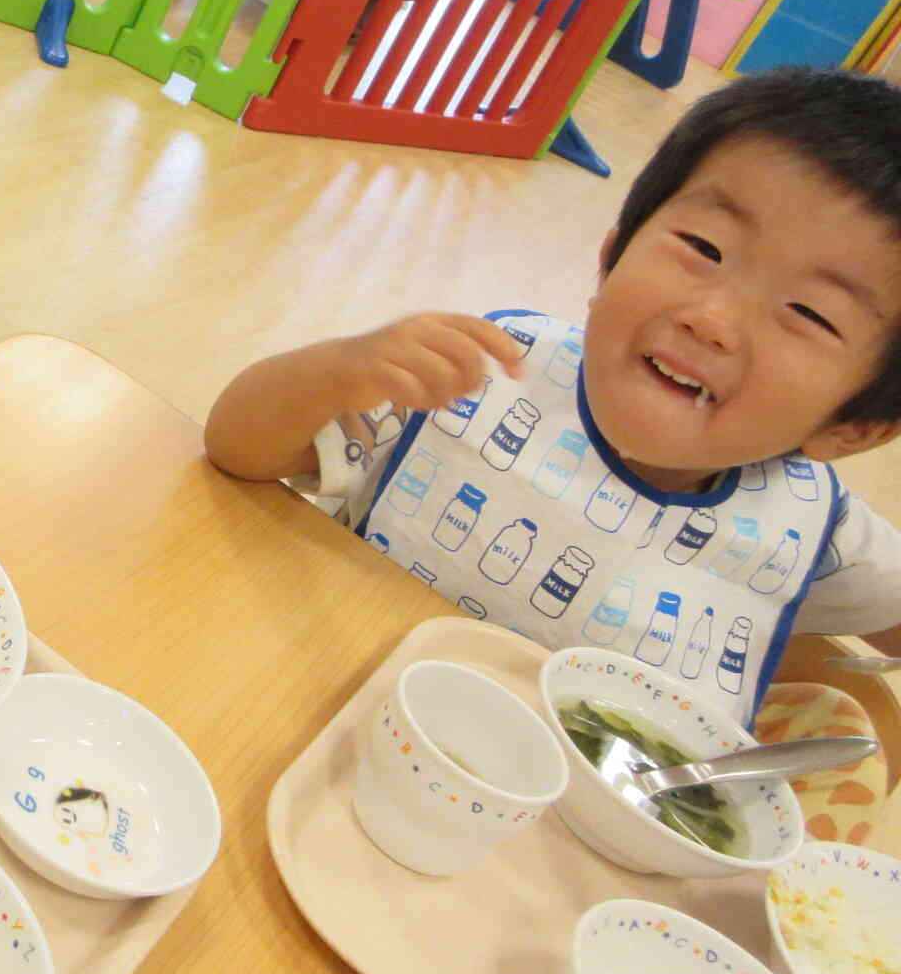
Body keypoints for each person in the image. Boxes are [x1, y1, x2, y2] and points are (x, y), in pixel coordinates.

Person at [203, 69, 901, 720]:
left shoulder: (817, 530)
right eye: (705, 248)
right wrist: (341, 369)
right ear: (611, 256)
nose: (712, 319)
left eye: (809, 314)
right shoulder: (478, 377)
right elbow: (235, 447)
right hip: (320, 714)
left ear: (856, 428)